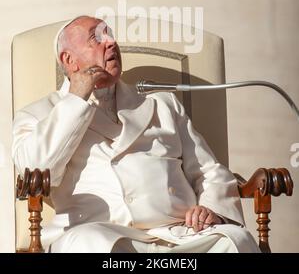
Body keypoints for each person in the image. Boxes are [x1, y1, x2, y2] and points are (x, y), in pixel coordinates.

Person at [12, 15, 260, 253]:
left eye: (110, 34)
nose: (111, 42)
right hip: (103, 235)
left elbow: (209, 170)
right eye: (96, 38)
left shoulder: (163, 105)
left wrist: (211, 208)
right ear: (69, 60)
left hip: (180, 235)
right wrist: (77, 100)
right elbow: (33, 170)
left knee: (236, 240)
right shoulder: (37, 115)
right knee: (89, 246)